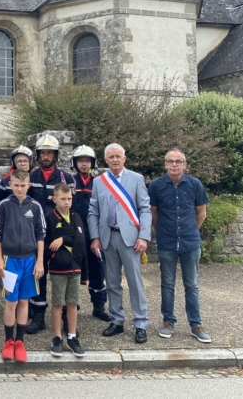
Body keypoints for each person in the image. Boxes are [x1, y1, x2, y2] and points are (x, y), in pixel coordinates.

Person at [87, 143, 152, 344]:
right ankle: (117, 320)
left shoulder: (136, 179)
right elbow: (93, 211)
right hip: (108, 238)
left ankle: (140, 324)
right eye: (111, 157)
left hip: (131, 239)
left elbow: (145, 209)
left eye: (118, 156)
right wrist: (95, 237)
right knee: (112, 283)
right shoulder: (99, 181)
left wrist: (143, 236)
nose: (115, 160)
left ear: (124, 158)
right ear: (105, 160)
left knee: (135, 283)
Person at [148, 149, 211, 343]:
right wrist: (165, 232)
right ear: (165, 164)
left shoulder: (195, 185)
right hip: (167, 243)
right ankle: (168, 322)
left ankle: (196, 324)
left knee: (191, 285)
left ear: (184, 165)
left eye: (178, 161)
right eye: (170, 161)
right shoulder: (156, 186)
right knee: (167, 284)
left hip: (190, 243)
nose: (174, 165)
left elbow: (201, 214)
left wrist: (189, 230)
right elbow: (153, 214)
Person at [26, 133, 77, 335]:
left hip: (61, 237)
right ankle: (38, 316)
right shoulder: (30, 178)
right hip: (37, 236)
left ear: (56, 155)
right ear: (38, 155)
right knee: (37, 275)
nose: (46, 156)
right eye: (43, 153)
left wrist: (68, 236)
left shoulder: (68, 178)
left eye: (50, 153)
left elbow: (73, 211)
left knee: (63, 276)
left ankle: (66, 318)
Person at [0, 169, 45, 363]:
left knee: (24, 301)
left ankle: (20, 342)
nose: (19, 189)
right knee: (11, 302)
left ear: (29, 186)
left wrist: (39, 260)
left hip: (30, 260)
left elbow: (41, 234)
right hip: (10, 260)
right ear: (10, 184)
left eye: (23, 185)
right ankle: (8, 341)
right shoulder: (4, 205)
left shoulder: (36, 206)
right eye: (16, 185)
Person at [70, 145, 111, 322]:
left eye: (87, 161)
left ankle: (99, 306)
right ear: (75, 163)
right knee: (73, 273)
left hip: (94, 236)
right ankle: (71, 307)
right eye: (81, 161)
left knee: (97, 271)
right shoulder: (69, 182)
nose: (84, 164)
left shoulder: (99, 183)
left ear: (92, 163)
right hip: (74, 237)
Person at [45, 184, 86, 357]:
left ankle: (72, 335)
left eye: (69, 198)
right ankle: (57, 337)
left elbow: (81, 240)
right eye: (63, 199)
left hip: (75, 267)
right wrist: (67, 238)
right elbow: (48, 241)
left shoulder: (76, 217)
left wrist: (64, 238)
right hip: (58, 268)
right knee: (57, 303)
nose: (67, 202)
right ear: (55, 199)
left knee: (73, 303)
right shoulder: (49, 217)